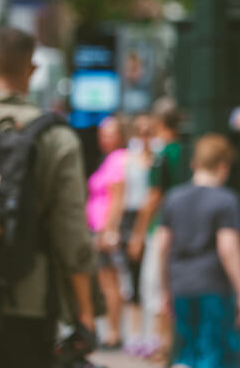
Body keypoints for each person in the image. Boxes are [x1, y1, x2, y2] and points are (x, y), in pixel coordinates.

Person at [0, 27, 95, 367]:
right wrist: (84, 311)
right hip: (32, 298)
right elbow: (70, 229)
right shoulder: (57, 137)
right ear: (32, 69)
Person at [157, 134, 240, 368]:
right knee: (215, 352)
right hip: (214, 286)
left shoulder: (173, 198)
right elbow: (228, 247)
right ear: (223, 166)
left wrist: (165, 287)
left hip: (181, 283)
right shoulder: (226, 200)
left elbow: (161, 246)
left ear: (195, 164)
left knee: (186, 351)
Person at [127, 100, 186, 361]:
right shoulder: (185, 151)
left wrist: (138, 234)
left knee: (156, 287)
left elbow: (153, 197)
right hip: (184, 230)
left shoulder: (162, 156)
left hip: (161, 229)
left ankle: (164, 345)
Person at [85, 115, 128, 349]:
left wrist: (108, 231)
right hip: (97, 228)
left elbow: (117, 198)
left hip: (104, 231)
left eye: (110, 133)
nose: (105, 138)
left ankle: (113, 333)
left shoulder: (119, 160)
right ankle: (111, 331)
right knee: (105, 282)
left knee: (110, 283)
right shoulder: (108, 159)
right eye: (102, 133)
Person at [121, 113, 156, 354]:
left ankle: (153, 336)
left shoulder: (159, 159)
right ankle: (135, 335)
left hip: (152, 220)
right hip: (131, 217)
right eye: (140, 131)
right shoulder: (127, 160)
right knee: (133, 279)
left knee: (152, 281)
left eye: (148, 131)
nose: (144, 136)